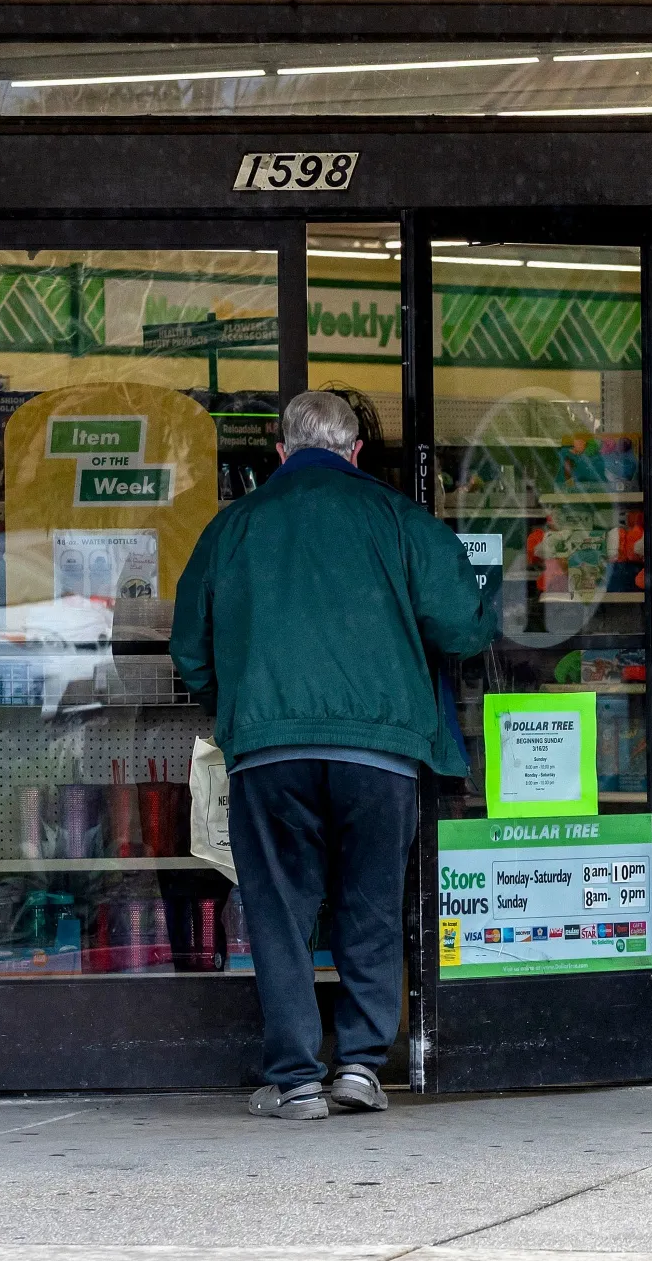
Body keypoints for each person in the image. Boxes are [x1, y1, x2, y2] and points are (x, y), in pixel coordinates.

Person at [173, 391, 492, 1120]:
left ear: (281, 452)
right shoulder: (400, 518)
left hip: (269, 751)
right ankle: (360, 1066)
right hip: (380, 751)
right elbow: (463, 627)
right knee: (371, 905)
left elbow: (189, 646)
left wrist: (238, 706)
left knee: (279, 912)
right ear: (356, 452)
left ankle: (295, 1080)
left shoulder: (233, 526)